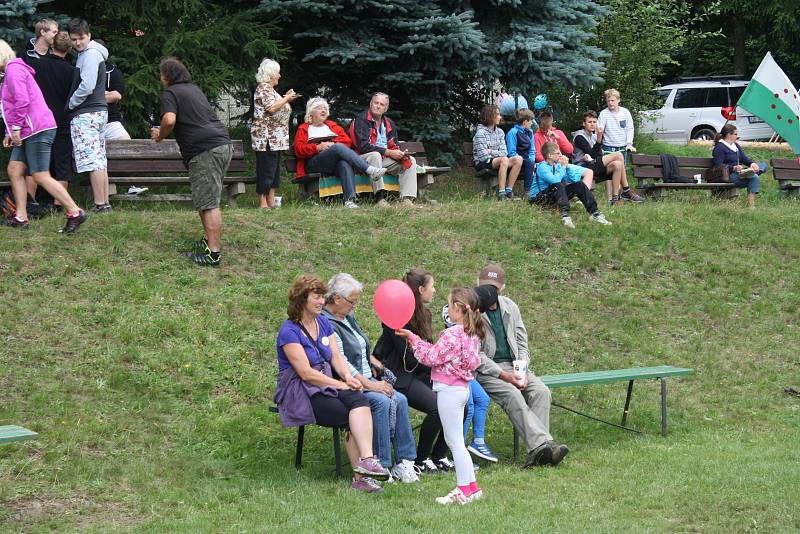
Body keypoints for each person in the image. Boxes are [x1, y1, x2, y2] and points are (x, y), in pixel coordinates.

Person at [274, 275, 391, 493]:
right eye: (316, 297)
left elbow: (336, 358)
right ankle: (361, 478)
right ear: (301, 299)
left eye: (322, 297)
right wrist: (339, 385)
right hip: (302, 391)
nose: (321, 302)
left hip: (326, 383)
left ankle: (367, 461)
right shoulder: (289, 331)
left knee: (359, 398)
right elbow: (306, 373)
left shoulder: (323, 323)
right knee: (347, 413)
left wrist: (348, 377)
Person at [322, 273, 419, 483]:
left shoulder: (347, 317)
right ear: (337, 298)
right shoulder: (326, 322)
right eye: (352, 301)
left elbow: (361, 347)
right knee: (380, 401)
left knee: (400, 399)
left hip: (367, 377)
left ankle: (404, 462)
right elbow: (342, 362)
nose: (354, 306)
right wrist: (371, 386)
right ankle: (380, 464)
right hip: (349, 382)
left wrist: (375, 364)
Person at [473, 264, 570, 468]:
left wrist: (522, 371)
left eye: (495, 289)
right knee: (513, 395)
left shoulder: (510, 307)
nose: (490, 293)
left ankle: (539, 452)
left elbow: (522, 342)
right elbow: (476, 356)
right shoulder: (472, 311)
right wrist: (505, 375)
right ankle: (544, 448)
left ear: (502, 289)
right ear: (478, 284)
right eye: (486, 287)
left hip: (515, 366)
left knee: (541, 391)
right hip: (488, 372)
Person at [396, 287, 485, 505]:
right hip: (462, 389)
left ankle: (463, 489)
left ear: (456, 308)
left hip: (449, 391)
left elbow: (431, 357)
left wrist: (414, 340)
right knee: (457, 442)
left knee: (454, 442)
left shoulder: (452, 333)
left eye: (449, 305)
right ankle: (471, 487)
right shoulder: (471, 333)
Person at [151, 57, 233, 267]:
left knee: (209, 203)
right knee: (205, 198)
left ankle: (213, 254)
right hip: (222, 144)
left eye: (161, 74)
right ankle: (208, 242)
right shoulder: (194, 90)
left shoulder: (171, 92)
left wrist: (160, 135)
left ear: (167, 75)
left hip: (204, 150)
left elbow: (169, 120)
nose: (160, 78)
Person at [0, 39, 87, 233]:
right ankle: (21, 217)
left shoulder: (14, 70)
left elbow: (22, 101)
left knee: (40, 174)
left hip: (37, 129)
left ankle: (75, 211)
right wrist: (9, 131)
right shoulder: (11, 71)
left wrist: (15, 130)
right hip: (26, 129)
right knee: (14, 169)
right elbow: (12, 107)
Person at [373, 268, 452, 474]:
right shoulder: (396, 319)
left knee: (459, 402)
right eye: (432, 286)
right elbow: (408, 358)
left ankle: (440, 455)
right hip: (402, 377)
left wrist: (438, 363)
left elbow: (429, 349)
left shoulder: (425, 314)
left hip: (422, 372)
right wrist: (435, 362)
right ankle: (421, 458)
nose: (435, 290)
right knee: (438, 407)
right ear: (420, 289)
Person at [294, 97, 385, 209]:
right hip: (314, 164)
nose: (323, 110)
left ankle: (349, 201)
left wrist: (331, 144)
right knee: (337, 147)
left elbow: (347, 141)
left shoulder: (332, 126)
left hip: (332, 163)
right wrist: (318, 147)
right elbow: (299, 150)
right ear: (311, 112)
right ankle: (369, 169)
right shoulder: (304, 128)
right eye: (319, 108)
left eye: (325, 108)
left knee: (344, 163)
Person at [20, 27, 77, 205]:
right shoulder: (72, 71)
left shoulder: (37, 66)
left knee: (34, 165)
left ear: (52, 47)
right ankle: (59, 205)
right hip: (62, 120)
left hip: (40, 121)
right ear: (68, 50)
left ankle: (31, 203)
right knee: (62, 165)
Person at [442, 305, 497, 464]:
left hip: (466, 374)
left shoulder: (473, 322)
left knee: (483, 399)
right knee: (469, 406)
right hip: (453, 375)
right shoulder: (452, 318)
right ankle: (458, 452)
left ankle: (478, 442)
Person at [66, 18, 111, 213]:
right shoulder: (89, 53)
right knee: (99, 159)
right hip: (97, 111)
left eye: (81, 38)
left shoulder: (90, 54)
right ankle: (105, 202)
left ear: (89, 35)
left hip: (88, 112)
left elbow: (87, 85)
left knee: (93, 161)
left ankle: (100, 204)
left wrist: (71, 104)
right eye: (74, 39)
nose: (77, 43)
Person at [349, 92, 419, 206]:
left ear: (385, 108)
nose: (378, 106)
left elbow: (394, 145)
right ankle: (379, 198)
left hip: (383, 160)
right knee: (375, 155)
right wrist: (389, 152)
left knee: (410, 160)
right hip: (361, 159)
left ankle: (407, 199)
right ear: (370, 104)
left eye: (382, 104)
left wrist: (400, 154)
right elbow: (363, 147)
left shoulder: (389, 123)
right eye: (376, 103)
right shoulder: (362, 120)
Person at [251, 58, 297, 209]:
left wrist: (286, 97)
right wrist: (286, 99)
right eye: (278, 72)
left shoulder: (270, 90)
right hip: (266, 138)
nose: (280, 76)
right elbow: (271, 108)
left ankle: (271, 202)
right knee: (266, 170)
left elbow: (276, 105)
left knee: (274, 171)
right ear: (270, 74)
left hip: (276, 139)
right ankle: (263, 203)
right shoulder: (263, 88)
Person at [532, 141, 611, 228]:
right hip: (539, 199)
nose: (561, 155)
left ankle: (594, 213)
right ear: (550, 155)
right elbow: (555, 180)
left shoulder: (558, 165)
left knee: (579, 185)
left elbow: (574, 180)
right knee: (558, 185)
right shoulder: (542, 167)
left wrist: (567, 167)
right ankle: (565, 216)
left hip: (552, 195)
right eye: (558, 153)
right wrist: (563, 167)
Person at [573, 110, 644, 205]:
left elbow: (598, 155)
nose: (592, 124)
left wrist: (597, 144)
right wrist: (598, 141)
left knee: (617, 164)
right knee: (618, 155)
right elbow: (592, 154)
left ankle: (614, 199)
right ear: (584, 123)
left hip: (593, 165)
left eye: (594, 122)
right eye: (589, 122)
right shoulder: (579, 136)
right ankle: (626, 190)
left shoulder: (593, 136)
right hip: (582, 168)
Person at [472, 104, 523, 200]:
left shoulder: (500, 132)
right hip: (482, 163)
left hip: (497, 160)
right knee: (504, 160)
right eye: (498, 114)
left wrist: (491, 151)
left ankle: (508, 191)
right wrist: (497, 154)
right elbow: (483, 157)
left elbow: (504, 152)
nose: (500, 117)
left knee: (518, 159)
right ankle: (501, 194)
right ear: (490, 116)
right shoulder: (480, 133)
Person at [711, 124, 767, 208]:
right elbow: (718, 165)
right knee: (754, 178)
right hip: (729, 175)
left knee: (763, 165)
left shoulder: (736, 146)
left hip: (739, 173)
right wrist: (733, 168)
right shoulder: (720, 147)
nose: (737, 136)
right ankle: (751, 206)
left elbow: (744, 159)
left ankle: (754, 171)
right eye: (735, 134)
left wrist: (752, 164)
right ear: (729, 135)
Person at [597, 88, 636, 164]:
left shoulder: (625, 112)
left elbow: (630, 129)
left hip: (622, 147)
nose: (610, 103)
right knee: (609, 170)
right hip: (608, 147)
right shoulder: (603, 114)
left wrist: (629, 144)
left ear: (618, 100)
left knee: (621, 168)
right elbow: (599, 130)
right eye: (608, 101)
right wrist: (598, 145)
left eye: (612, 100)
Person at [505, 108, 537, 197]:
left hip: (528, 161)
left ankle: (540, 190)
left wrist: (531, 159)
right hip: (516, 161)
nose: (532, 123)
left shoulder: (530, 132)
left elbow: (532, 149)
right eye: (531, 121)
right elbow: (511, 152)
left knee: (540, 165)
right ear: (525, 122)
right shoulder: (512, 133)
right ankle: (528, 192)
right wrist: (527, 161)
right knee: (529, 164)